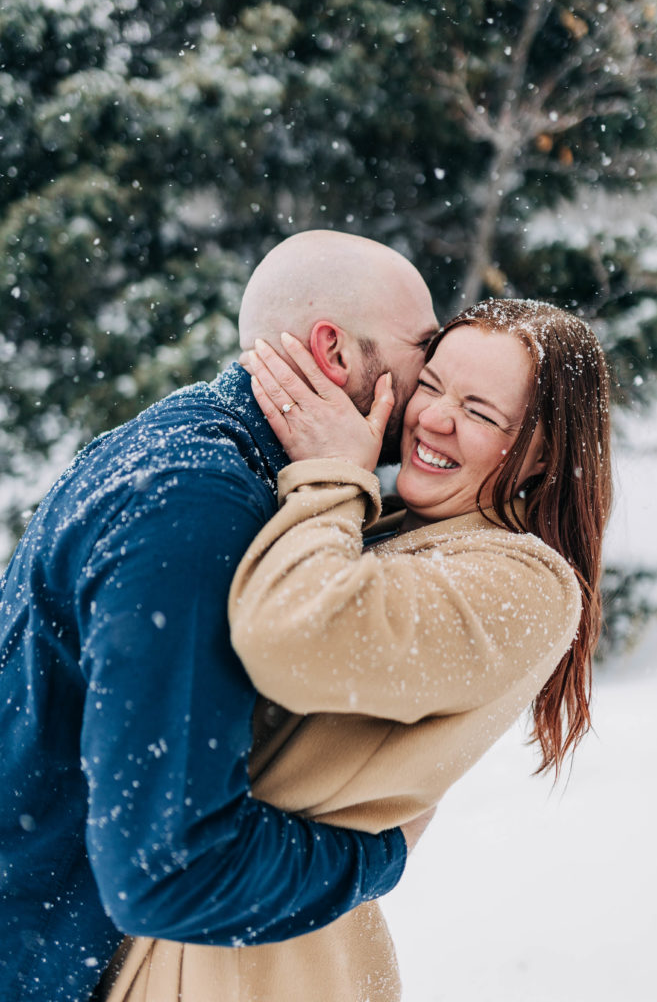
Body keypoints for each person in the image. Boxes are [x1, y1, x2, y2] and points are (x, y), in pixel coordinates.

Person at [102, 298, 612, 1001]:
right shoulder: (402, 521)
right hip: (222, 920)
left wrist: (331, 473)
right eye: (429, 386)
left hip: (262, 965)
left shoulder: (526, 584)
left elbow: (290, 637)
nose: (432, 418)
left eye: (479, 412)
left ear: (543, 454)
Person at [0, 230, 439, 1001]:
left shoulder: (177, 448)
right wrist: (378, 856)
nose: (430, 383)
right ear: (334, 355)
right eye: (422, 350)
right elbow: (168, 869)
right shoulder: (196, 505)